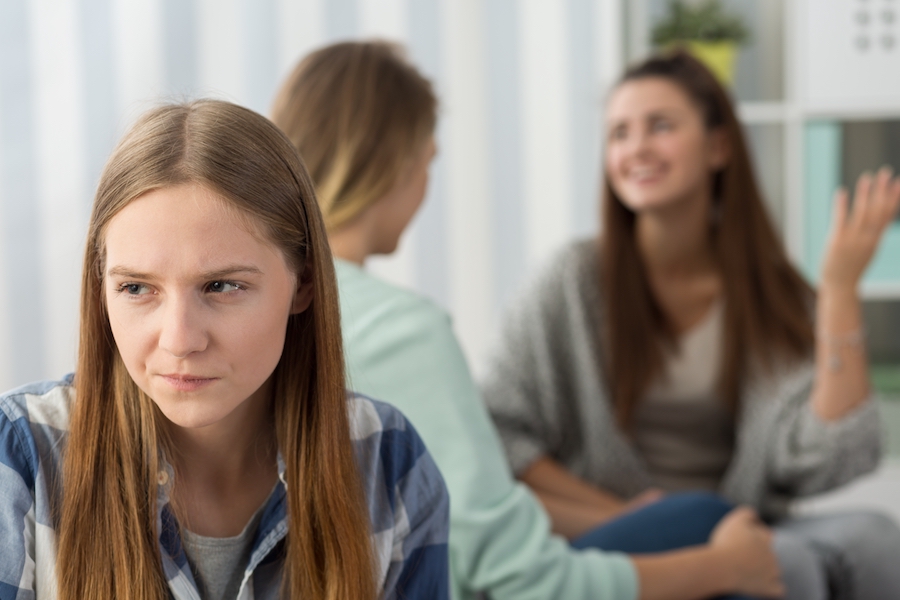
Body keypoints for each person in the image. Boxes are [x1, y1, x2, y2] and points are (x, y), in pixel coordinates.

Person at [272, 40, 785, 600]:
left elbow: (480, 515)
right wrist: (723, 568)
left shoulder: (262, 306)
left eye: (660, 126)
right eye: (429, 161)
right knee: (704, 520)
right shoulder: (404, 331)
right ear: (396, 160)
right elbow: (520, 577)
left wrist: (608, 516)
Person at [482, 50, 900, 600]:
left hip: (735, 515)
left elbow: (830, 457)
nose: (637, 149)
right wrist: (625, 512)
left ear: (719, 147)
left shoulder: (769, 289)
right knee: (785, 561)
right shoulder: (571, 281)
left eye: (660, 126)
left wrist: (840, 291)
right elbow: (502, 434)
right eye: (619, 133)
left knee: (876, 538)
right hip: (614, 527)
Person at [0, 99, 449, 600]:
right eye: (135, 288)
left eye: (221, 286)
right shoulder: (19, 462)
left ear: (303, 285)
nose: (180, 339)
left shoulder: (387, 464)